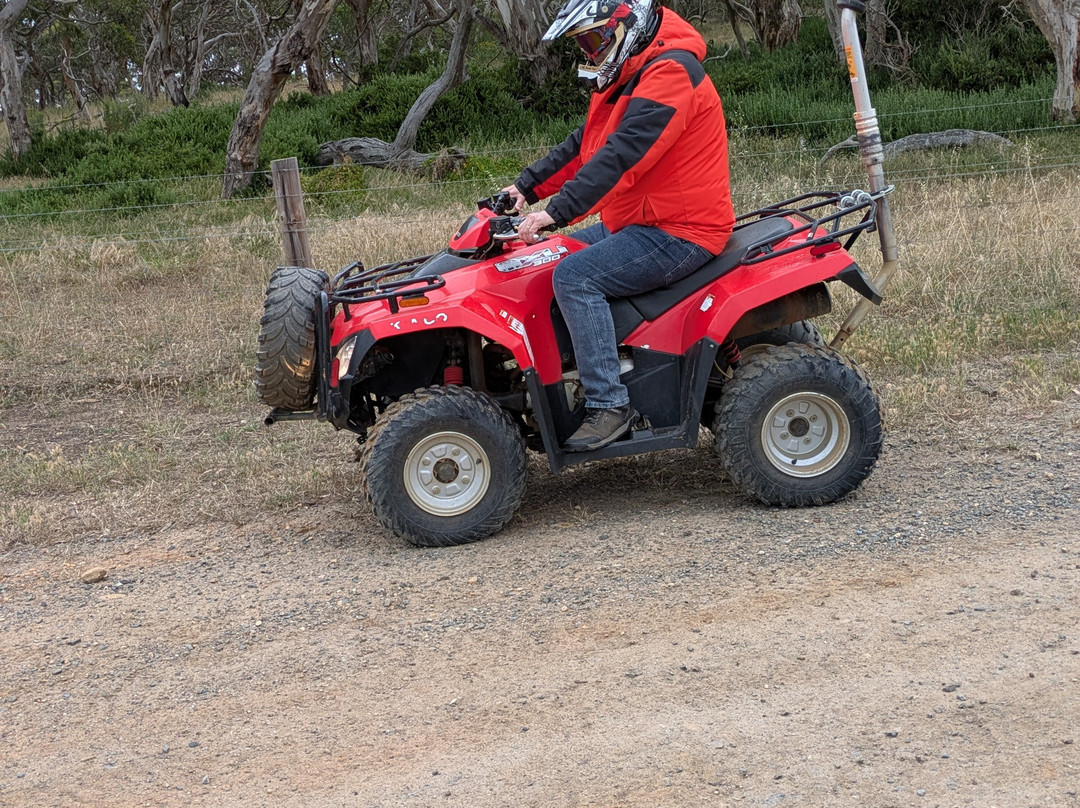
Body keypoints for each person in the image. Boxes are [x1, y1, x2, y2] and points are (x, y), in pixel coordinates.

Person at [504, 0, 735, 452]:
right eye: (582, 44)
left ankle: (609, 404)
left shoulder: (671, 73)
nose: (590, 52)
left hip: (681, 231)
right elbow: (585, 145)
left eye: (594, 39)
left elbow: (623, 155)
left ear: (626, 25)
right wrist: (525, 188)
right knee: (545, 259)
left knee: (574, 277)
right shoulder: (631, 71)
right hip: (640, 221)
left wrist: (557, 211)